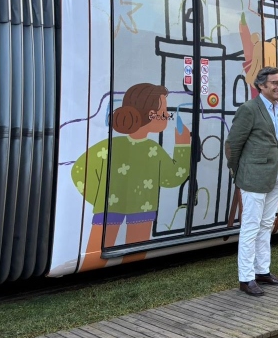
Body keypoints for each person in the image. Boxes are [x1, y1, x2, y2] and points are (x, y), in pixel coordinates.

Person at [72, 83, 191, 271]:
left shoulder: (110, 146)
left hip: (111, 209)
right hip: (143, 207)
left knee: (99, 248)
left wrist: (100, 199)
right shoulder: (153, 150)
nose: (168, 115)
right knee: (134, 249)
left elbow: (79, 171)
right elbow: (173, 177)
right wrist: (183, 146)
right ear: (149, 113)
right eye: (163, 110)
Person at [225, 67, 278, 296]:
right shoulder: (249, 109)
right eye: (275, 83)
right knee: (251, 228)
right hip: (252, 178)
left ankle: (262, 271)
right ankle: (246, 278)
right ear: (261, 85)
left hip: (274, 177)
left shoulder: (277, 110)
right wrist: (238, 173)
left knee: (265, 226)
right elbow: (232, 144)